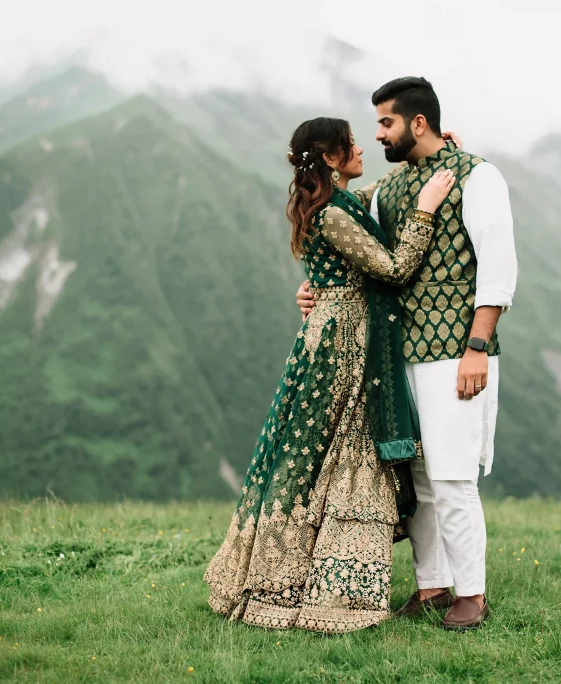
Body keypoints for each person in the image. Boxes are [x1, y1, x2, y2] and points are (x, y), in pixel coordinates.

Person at [203, 116, 457, 634]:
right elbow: (392, 268)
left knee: (322, 454)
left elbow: (377, 192)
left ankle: (319, 574)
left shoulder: (337, 204)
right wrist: (426, 211)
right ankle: (317, 587)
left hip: (338, 335)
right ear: (333, 157)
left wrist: (435, 152)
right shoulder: (335, 214)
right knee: (335, 454)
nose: (363, 148)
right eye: (352, 144)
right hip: (343, 348)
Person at [297, 77, 517, 631]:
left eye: (386, 124)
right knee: (415, 478)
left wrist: (477, 347)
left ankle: (473, 593)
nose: (378, 135)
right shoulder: (389, 189)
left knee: (452, 478)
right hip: (397, 357)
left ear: (418, 123)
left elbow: (497, 268)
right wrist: (317, 293)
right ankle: (432, 585)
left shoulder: (480, 177)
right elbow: (351, 244)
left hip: (454, 353)